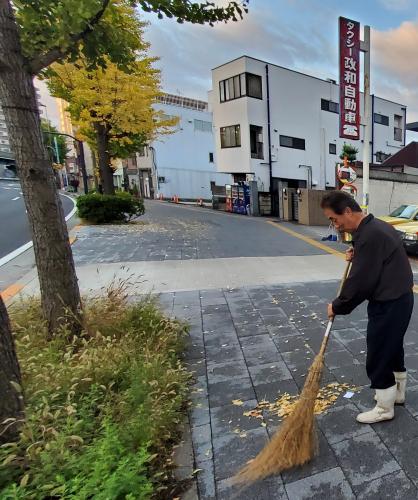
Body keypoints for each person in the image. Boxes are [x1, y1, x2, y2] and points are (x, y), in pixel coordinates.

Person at [321, 191, 414, 424]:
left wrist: (337, 306)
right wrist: (358, 252)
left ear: (348, 211)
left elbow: (361, 282)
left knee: (379, 353)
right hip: (400, 298)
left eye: (334, 218)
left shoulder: (370, 235)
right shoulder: (377, 227)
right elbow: (382, 256)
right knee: (392, 348)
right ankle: (398, 394)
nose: (334, 225)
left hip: (389, 302)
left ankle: (384, 408)